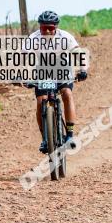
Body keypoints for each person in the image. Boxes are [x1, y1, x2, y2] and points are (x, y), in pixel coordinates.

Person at [29, 10, 88, 153]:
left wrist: (83, 69)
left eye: (51, 28)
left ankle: (69, 135)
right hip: (44, 69)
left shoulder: (66, 37)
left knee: (67, 93)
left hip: (63, 67)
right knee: (40, 100)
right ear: (39, 27)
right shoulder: (33, 38)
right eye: (44, 28)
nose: (48, 31)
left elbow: (78, 53)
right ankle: (45, 139)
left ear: (56, 27)